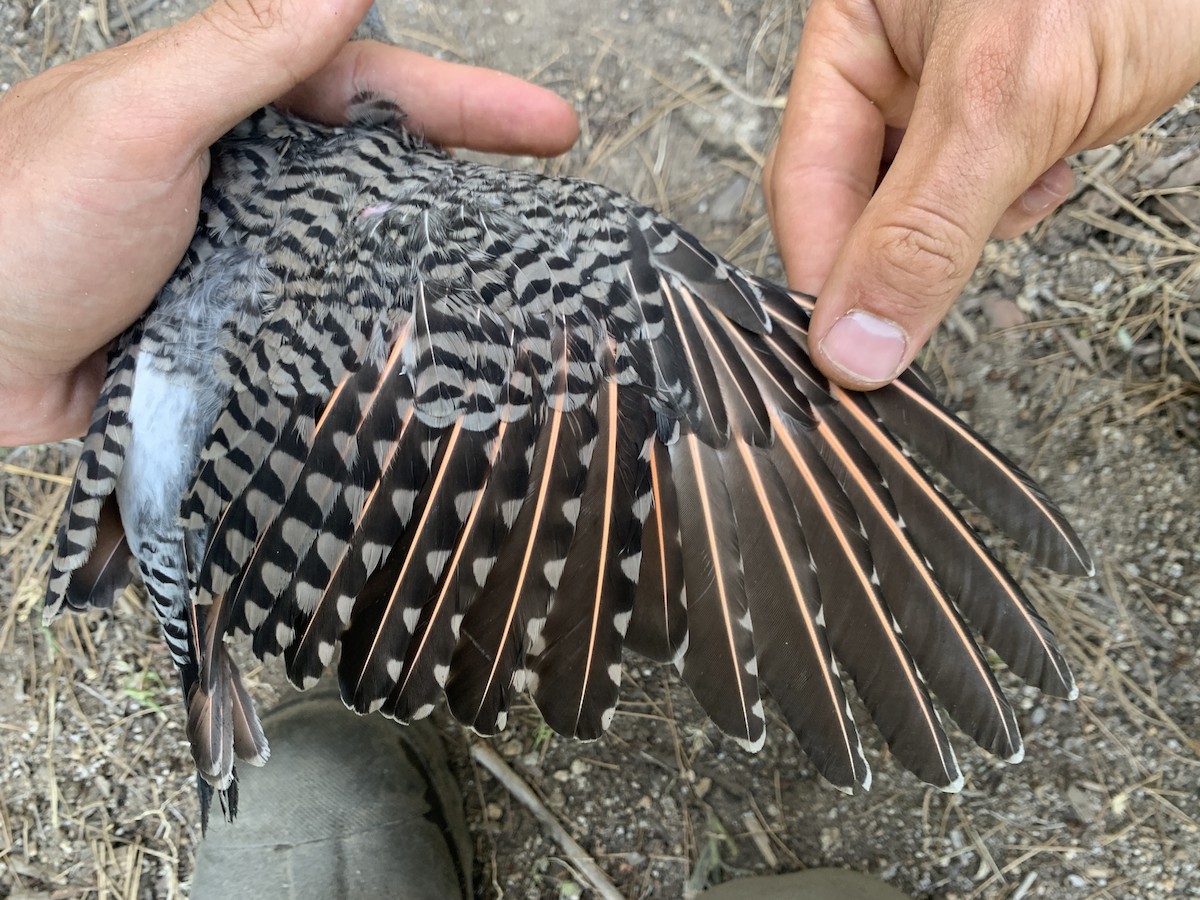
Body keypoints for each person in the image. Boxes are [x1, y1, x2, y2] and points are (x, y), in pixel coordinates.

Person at [2, 0, 1197, 895]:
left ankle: (250, 680)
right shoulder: (406, 216)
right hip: (174, 429)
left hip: (160, 438)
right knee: (649, 293)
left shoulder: (281, 182)